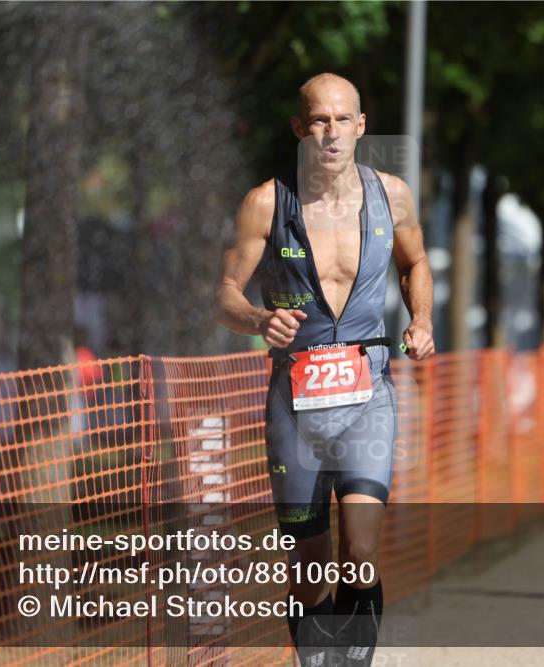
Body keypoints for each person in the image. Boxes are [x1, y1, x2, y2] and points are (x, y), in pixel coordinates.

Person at [216, 73, 435, 666]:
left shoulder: (393, 196)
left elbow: (416, 262)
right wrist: (260, 320)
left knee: (359, 553)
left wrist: (422, 320)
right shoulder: (267, 202)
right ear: (299, 127)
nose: (331, 132)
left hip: (368, 396)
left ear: (361, 126)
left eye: (343, 120)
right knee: (310, 570)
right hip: (296, 403)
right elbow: (226, 294)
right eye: (319, 120)